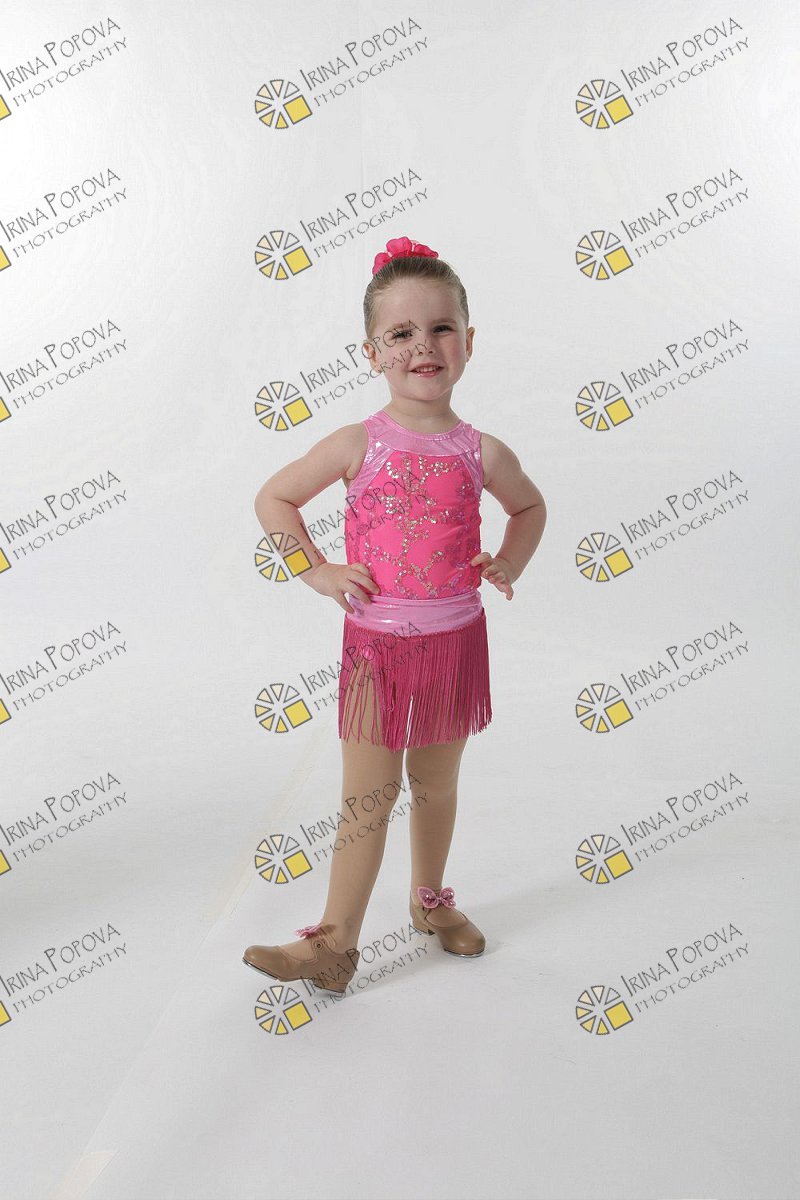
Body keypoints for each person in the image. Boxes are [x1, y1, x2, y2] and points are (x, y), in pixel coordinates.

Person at [243, 236, 547, 994]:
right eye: (402, 333)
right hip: (376, 650)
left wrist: (509, 562)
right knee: (367, 796)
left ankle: (430, 901)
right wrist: (315, 569)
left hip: (453, 644)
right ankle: (334, 942)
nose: (423, 346)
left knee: (436, 782)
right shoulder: (358, 443)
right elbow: (274, 497)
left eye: (442, 328)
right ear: (372, 352)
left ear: (469, 341)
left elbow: (530, 507)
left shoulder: (481, 452)